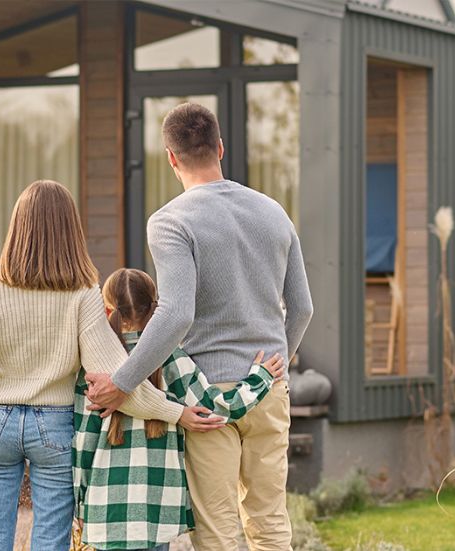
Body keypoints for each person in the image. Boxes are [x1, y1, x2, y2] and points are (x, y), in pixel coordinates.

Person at [0, 181, 222, 551]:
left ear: (16, 227)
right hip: (53, 430)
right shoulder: (82, 293)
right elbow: (118, 383)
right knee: (50, 543)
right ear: (70, 230)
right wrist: (177, 412)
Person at [85, 103, 314, 551]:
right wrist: (276, 365)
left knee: (218, 528)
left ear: (171, 158)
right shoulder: (274, 213)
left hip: (207, 395)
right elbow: (302, 308)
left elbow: (175, 314)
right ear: (221, 148)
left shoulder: (171, 221)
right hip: (268, 386)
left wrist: (122, 382)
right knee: (270, 519)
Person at [74, 268, 284, 551]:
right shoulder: (170, 356)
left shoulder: (93, 364)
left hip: (105, 509)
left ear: (107, 308)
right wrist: (261, 378)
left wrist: (80, 504)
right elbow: (217, 410)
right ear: (156, 308)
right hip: (158, 509)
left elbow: (82, 443)